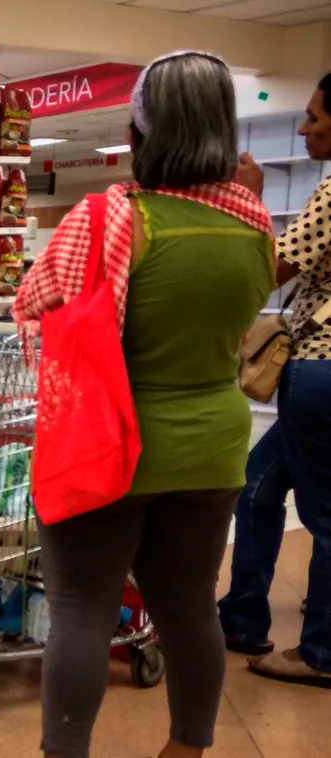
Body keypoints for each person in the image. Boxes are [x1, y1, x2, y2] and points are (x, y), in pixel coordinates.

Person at [14, 53, 275, 758]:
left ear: (140, 130)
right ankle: (186, 747)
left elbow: (37, 312)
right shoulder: (252, 224)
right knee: (189, 603)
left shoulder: (104, 220)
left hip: (109, 442)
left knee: (79, 608)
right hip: (213, 441)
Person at [218, 73, 331, 690]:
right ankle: (241, 617)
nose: (303, 126)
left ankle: (321, 651)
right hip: (316, 375)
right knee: (257, 487)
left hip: (320, 369)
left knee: (326, 517)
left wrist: (247, 200)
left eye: (314, 117)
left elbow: (261, 270)